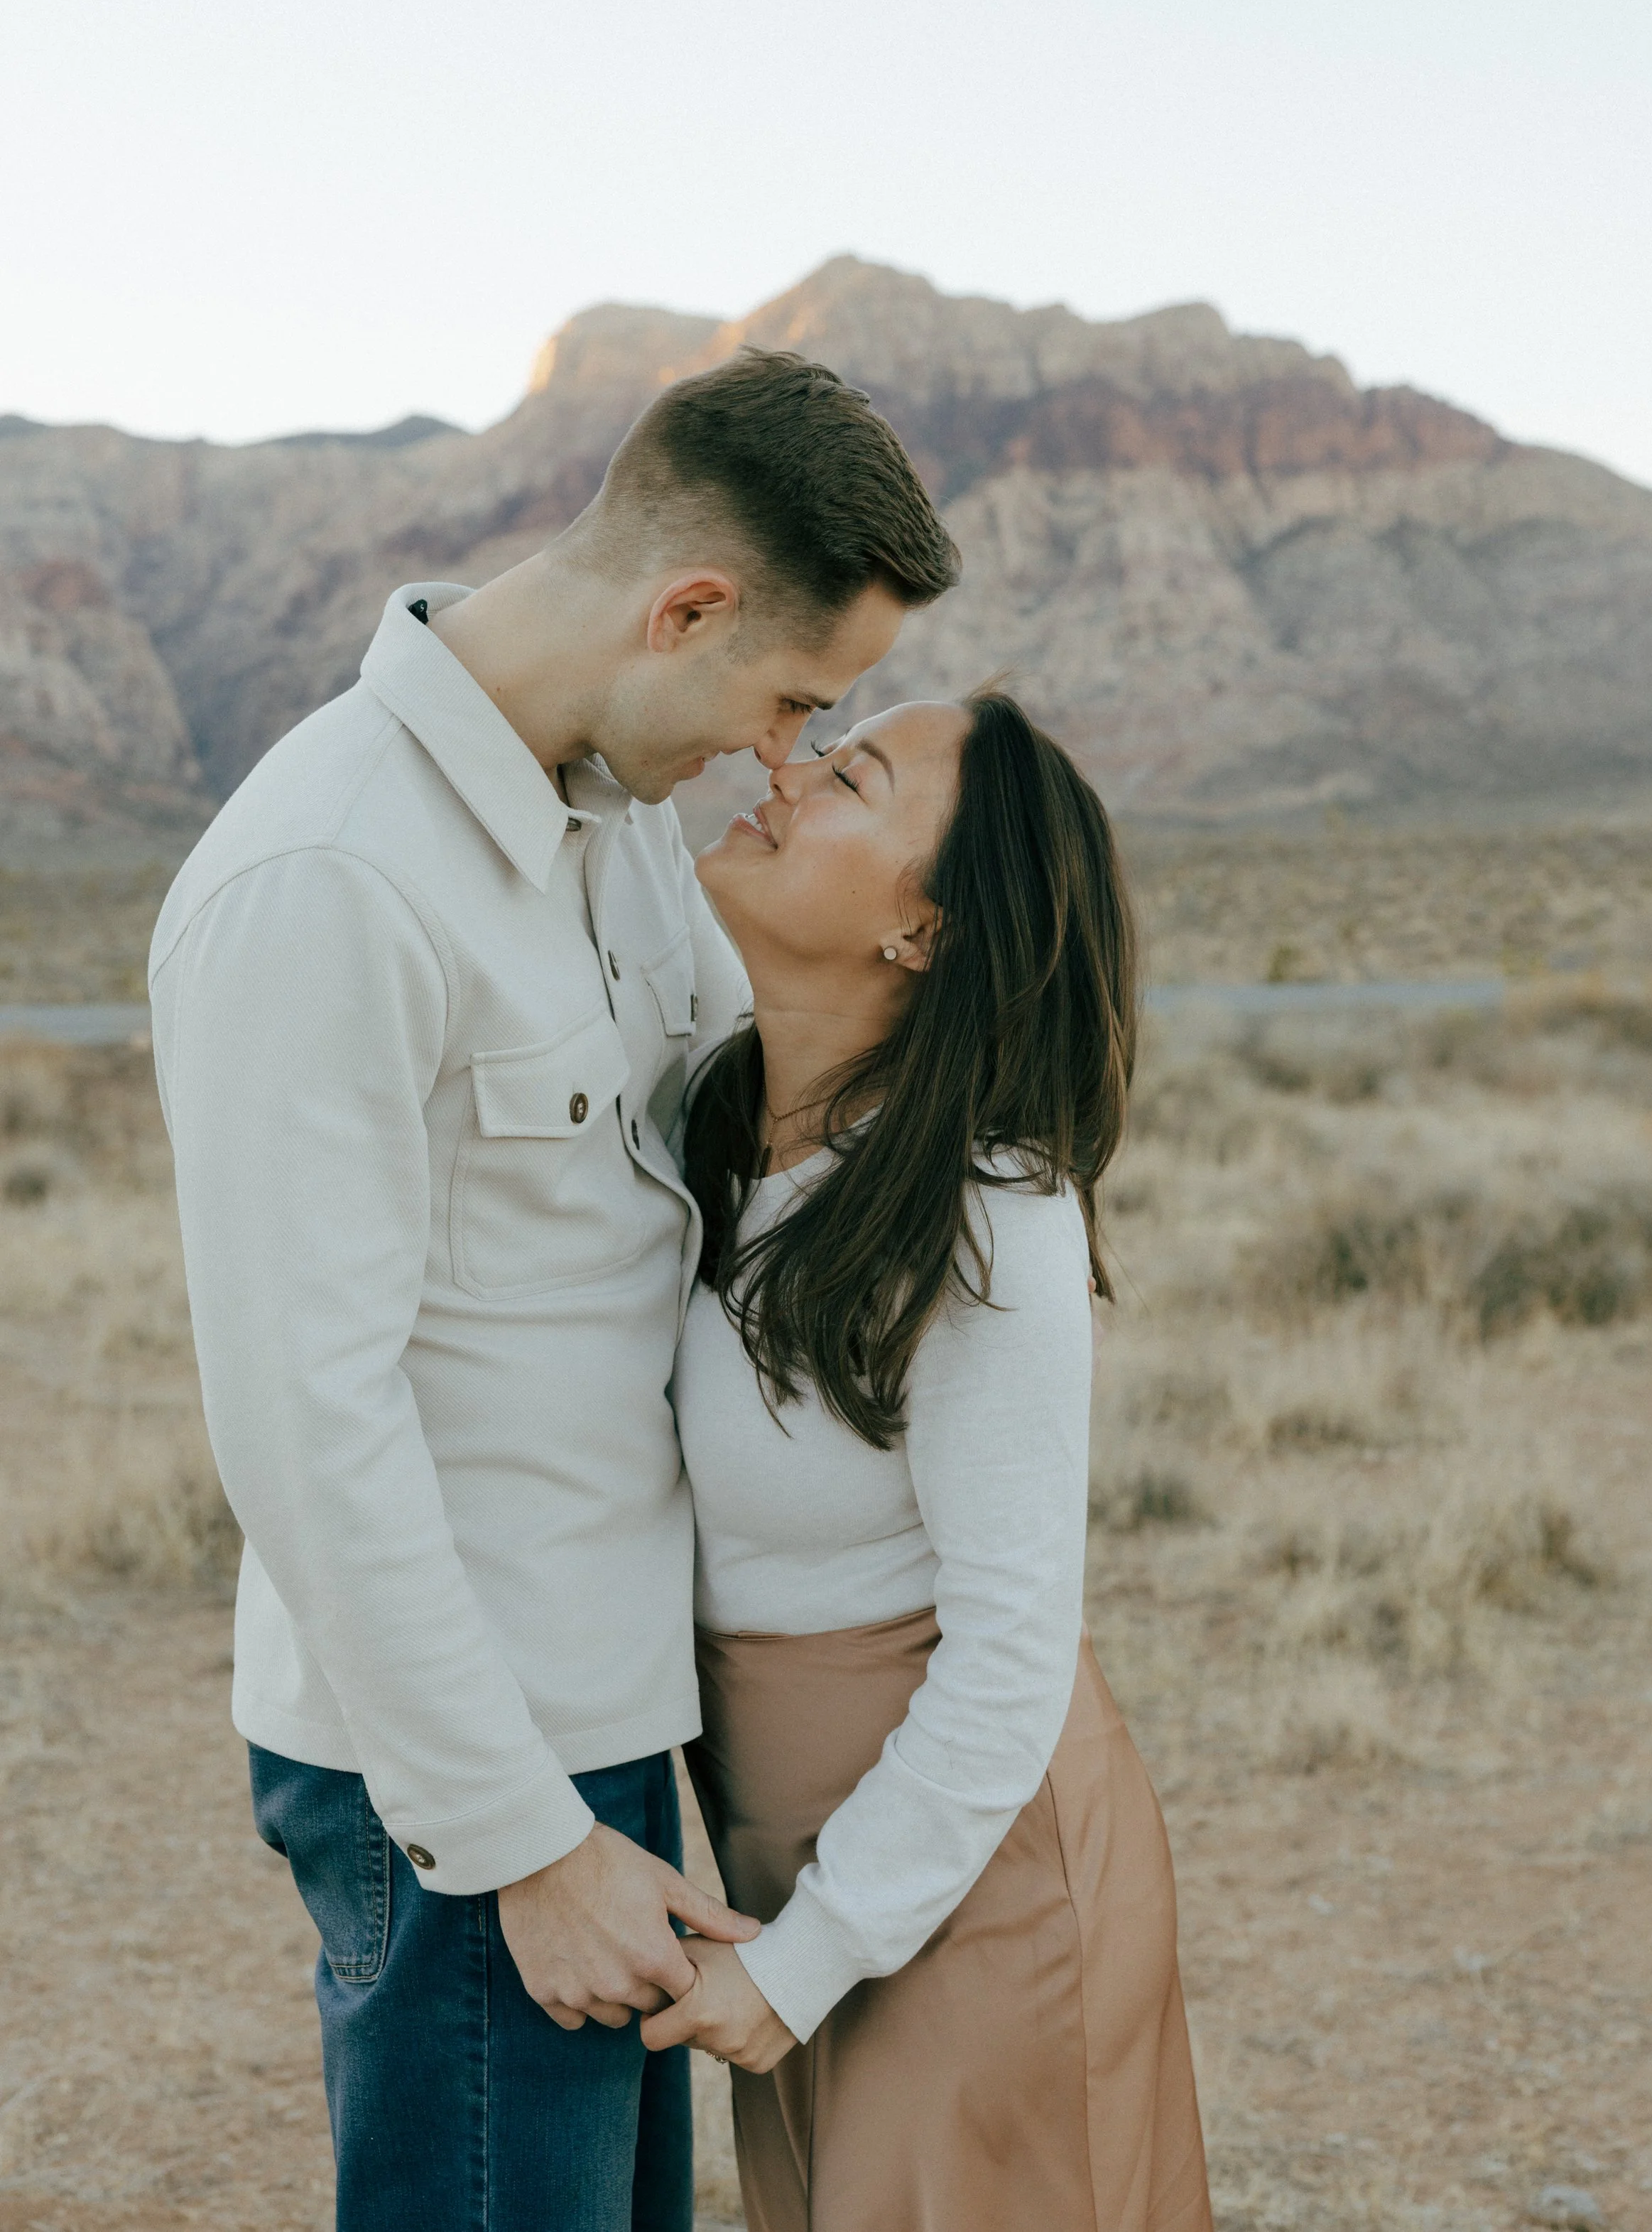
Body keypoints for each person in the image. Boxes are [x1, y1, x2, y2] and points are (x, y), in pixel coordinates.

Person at [148, 350, 960, 2232]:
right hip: (458, 1775)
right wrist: (520, 1840)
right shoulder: (329, 875)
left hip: (595, 1717)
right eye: (788, 694)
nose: (781, 752)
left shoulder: (609, 822)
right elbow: (304, 1426)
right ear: (682, 609)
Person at [644, 689, 1216, 2230]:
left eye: (849, 776)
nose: (784, 765)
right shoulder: (706, 1132)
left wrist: (808, 1954)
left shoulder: (984, 1218)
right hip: (794, 1865)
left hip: (971, 1879)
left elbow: (1011, 1653)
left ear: (925, 930)